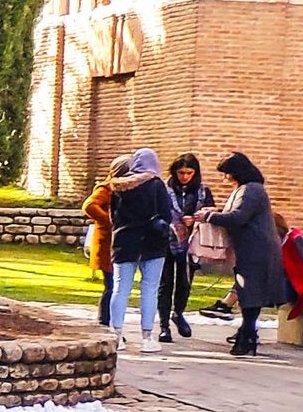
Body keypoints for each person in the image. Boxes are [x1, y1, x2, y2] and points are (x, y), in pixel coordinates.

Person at [204, 151, 288, 356]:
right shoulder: (247, 189)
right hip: (250, 248)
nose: (225, 178)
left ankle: (247, 338)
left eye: (227, 174)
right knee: (248, 292)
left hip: (257, 250)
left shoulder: (252, 190)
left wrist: (209, 216)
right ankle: (247, 335)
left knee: (250, 293)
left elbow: (239, 217)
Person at [107, 149, 178, 352]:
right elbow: (167, 214)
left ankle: (117, 335)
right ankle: (147, 338)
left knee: (120, 289)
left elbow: (114, 216)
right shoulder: (156, 185)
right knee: (149, 289)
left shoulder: (118, 187)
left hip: (124, 242)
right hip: (152, 243)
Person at [161, 152, 213, 339]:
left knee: (185, 281)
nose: (184, 177)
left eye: (189, 173)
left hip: (191, 242)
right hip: (166, 239)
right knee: (165, 283)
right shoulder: (165, 189)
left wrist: (196, 218)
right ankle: (163, 325)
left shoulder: (202, 192)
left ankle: (179, 312)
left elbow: (209, 212)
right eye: (181, 172)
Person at [82, 157, 126, 332]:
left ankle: (110, 322)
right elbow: (89, 205)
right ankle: (103, 322)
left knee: (116, 285)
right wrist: (110, 221)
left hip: (118, 243)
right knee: (111, 285)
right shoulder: (106, 188)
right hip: (107, 243)